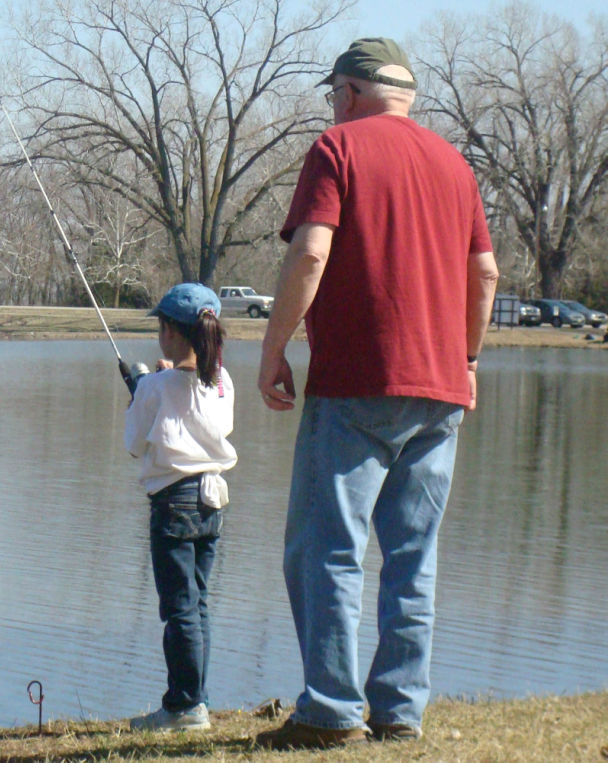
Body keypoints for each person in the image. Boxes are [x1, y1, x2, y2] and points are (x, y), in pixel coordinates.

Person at [255, 38, 500, 750]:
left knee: (325, 550)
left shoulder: (338, 149)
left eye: (333, 93)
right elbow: (483, 274)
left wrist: (272, 349)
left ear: (352, 93)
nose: (332, 107)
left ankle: (330, 711)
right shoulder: (455, 164)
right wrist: (469, 358)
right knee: (411, 558)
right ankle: (398, 711)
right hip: (441, 390)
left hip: (359, 383)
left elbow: (310, 250)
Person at [124, 282, 237, 732]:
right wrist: (159, 382)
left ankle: (184, 707)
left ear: (170, 331)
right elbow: (197, 402)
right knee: (199, 603)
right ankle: (197, 700)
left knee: (179, 608)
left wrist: (141, 392)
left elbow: (134, 444)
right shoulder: (223, 382)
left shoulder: (155, 387)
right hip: (213, 503)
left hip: (174, 505)